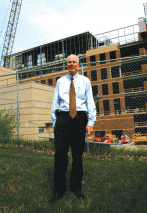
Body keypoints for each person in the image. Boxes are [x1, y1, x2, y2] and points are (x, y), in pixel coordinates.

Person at [50, 54, 96, 203]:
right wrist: (55, 122)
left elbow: (90, 102)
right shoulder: (60, 82)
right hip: (63, 118)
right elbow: (55, 102)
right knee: (60, 154)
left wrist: (91, 122)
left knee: (77, 155)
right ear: (66, 64)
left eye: (74, 62)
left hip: (80, 119)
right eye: (69, 62)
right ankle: (59, 190)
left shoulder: (85, 81)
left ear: (78, 64)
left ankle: (76, 187)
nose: (71, 64)